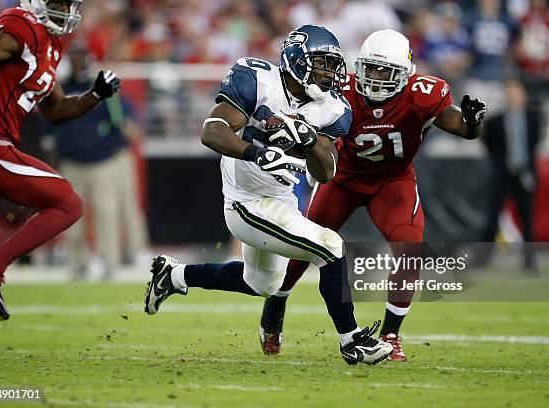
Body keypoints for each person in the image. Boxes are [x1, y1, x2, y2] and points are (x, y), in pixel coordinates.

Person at [143, 25, 393, 366]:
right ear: (296, 59)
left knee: (261, 282)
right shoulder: (257, 79)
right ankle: (352, 341)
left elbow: (327, 171)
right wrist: (257, 154)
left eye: (333, 65)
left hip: (281, 198)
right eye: (321, 63)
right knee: (331, 247)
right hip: (246, 199)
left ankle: (173, 276)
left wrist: (307, 139)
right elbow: (211, 131)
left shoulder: (333, 108)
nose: (330, 73)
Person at [259, 29, 488, 361]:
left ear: (405, 75)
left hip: (392, 181)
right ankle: (276, 301)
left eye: (386, 71)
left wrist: (472, 122)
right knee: (304, 247)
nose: (377, 77)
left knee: (410, 249)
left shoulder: (424, 93)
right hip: (343, 178)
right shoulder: (341, 89)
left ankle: (391, 334)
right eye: (371, 68)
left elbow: (464, 130)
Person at [0, 0, 121, 320]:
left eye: (70, 5)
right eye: (59, 3)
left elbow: (56, 111)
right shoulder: (21, 23)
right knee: (68, 204)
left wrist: (94, 95)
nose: (67, 12)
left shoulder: (50, 45)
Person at [51, 44, 148, 280]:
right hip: (71, 161)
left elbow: (122, 123)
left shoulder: (102, 88)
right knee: (71, 215)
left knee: (107, 212)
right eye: (73, 57)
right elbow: (50, 121)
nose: (76, 63)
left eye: (79, 57)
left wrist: (111, 145)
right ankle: (78, 263)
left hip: (103, 161)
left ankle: (109, 260)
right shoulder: (60, 89)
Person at [481, 79, 539, 269]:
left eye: (517, 92)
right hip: (502, 174)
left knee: (526, 217)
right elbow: (488, 143)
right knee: (493, 216)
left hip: (524, 174)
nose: (514, 96)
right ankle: (485, 256)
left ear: (524, 95)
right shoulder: (495, 121)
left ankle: (529, 259)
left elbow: (534, 143)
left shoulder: (532, 118)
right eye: (510, 92)